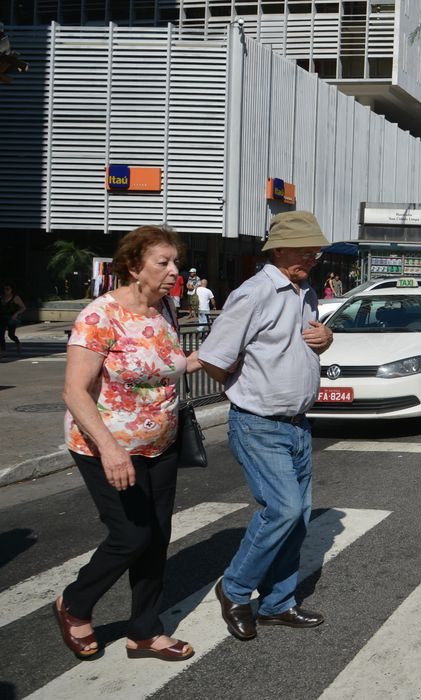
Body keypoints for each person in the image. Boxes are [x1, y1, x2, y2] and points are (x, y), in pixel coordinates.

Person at [56, 225, 201, 662]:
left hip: (161, 445)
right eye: (164, 262)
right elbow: (74, 391)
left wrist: (215, 359)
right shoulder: (100, 316)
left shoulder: (167, 309)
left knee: (156, 538)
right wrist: (112, 448)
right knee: (131, 535)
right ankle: (75, 604)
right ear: (134, 267)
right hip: (104, 446)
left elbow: (172, 364)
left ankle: (145, 631)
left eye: (175, 262)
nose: (174, 270)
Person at [197, 210, 333, 642]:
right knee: (284, 510)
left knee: (299, 517)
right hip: (259, 423)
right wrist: (247, 390)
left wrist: (326, 341)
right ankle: (234, 589)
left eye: (316, 249)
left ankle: (277, 603)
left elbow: (301, 346)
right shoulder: (254, 293)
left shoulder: (306, 292)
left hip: (297, 425)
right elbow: (214, 357)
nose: (312, 257)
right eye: (304, 249)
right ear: (277, 249)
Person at [1, 284, 26, 356]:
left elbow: (23, 307)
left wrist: (16, 314)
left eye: (8, 289)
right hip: (2, 318)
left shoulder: (16, 298)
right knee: (1, 335)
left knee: (11, 335)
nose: (6, 291)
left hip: (11, 318)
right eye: (5, 289)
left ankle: (18, 343)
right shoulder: (2, 297)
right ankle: (3, 351)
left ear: (11, 289)